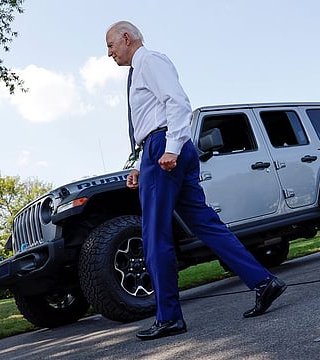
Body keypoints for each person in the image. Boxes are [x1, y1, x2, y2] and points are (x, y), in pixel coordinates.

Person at [106, 20, 287, 341]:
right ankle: (263, 281)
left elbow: (176, 102)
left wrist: (169, 148)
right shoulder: (140, 70)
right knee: (206, 225)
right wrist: (139, 162)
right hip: (159, 148)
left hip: (165, 147)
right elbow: (150, 120)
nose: (110, 54)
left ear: (126, 38)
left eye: (111, 46)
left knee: (155, 236)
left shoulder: (148, 60)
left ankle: (169, 317)